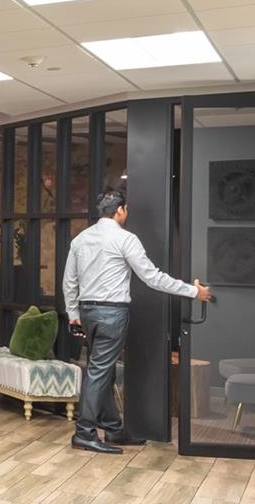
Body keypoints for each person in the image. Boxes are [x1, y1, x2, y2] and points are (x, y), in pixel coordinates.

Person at [61, 190, 212, 454]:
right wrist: (193, 291)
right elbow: (153, 278)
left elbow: (69, 282)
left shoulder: (80, 240)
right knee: (99, 371)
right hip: (111, 314)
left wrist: (73, 314)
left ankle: (113, 429)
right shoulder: (125, 239)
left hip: (87, 313)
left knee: (102, 371)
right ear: (120, 210)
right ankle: (84, 432)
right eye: (126, 209)